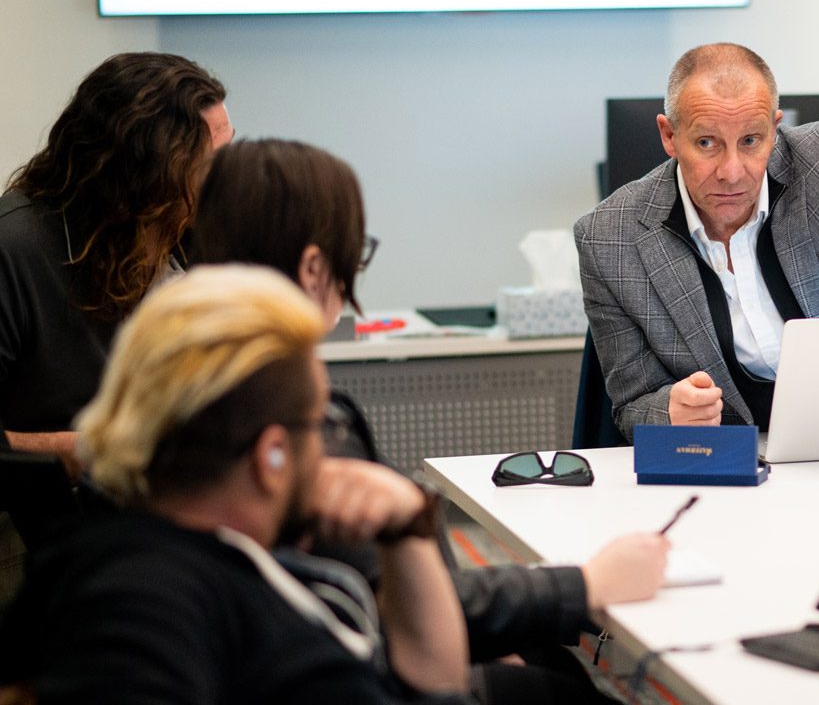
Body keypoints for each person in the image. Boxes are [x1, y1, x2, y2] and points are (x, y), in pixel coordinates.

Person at [188, 139, 669, 702]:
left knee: (553, 664)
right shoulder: (299, 426)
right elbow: (403, 613)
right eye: (354, 255)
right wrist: (589, 583)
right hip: (382, 675)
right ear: (315, 268)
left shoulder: (196, 391)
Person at [0, 265, 473, 703]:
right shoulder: (145, 599)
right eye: (320, 424)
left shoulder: (140, 558)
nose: (327, 446)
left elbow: (433, 683)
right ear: (271, 454)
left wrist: (407, 528)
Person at [574, 43, 819, 440]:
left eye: (751, 141)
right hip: (734, 467)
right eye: (707, 143)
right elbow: (631, 405)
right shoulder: (609, 239)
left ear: (774, 129)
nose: (731, 172)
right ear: (670, 135)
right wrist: (670, 410)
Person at [0, 51, 233, 473]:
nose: (227, 177)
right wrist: (88, 451)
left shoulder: (203, 236)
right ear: (143, 176)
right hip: (47, 517)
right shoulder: (14, 250)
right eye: (208, 165)